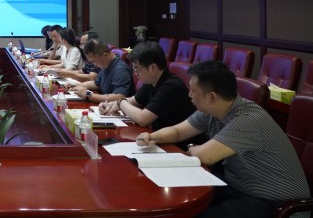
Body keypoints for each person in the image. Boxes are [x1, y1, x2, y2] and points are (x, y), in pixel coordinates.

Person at [136, 61, 310, 218]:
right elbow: (178, 131)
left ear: (212, 97)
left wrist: (191, 147)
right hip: (237, 186)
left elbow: (206, 156)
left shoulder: (248, 119)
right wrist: (152, 137)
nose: (189, 95)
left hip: (274, 201)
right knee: (179, 200)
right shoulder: (212, 111)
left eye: (193, 90)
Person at [98, 41, 203, 149]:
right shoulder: (151, 81)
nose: (135, 74)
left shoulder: (172, 86)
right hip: (160, 140)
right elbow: (134, 100)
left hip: (179, 147)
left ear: (153, 67)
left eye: (137, 69)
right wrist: (110, 105)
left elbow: (143, 119)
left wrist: (121, 102)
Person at [70, 38, 135, 103]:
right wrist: (75, 85)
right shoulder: (106, 65)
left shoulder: (120, 70)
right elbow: (96, 84)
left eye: (95, 61)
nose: (95, 65)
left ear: (105, 55)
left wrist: (88, 94)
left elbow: (119, 97)